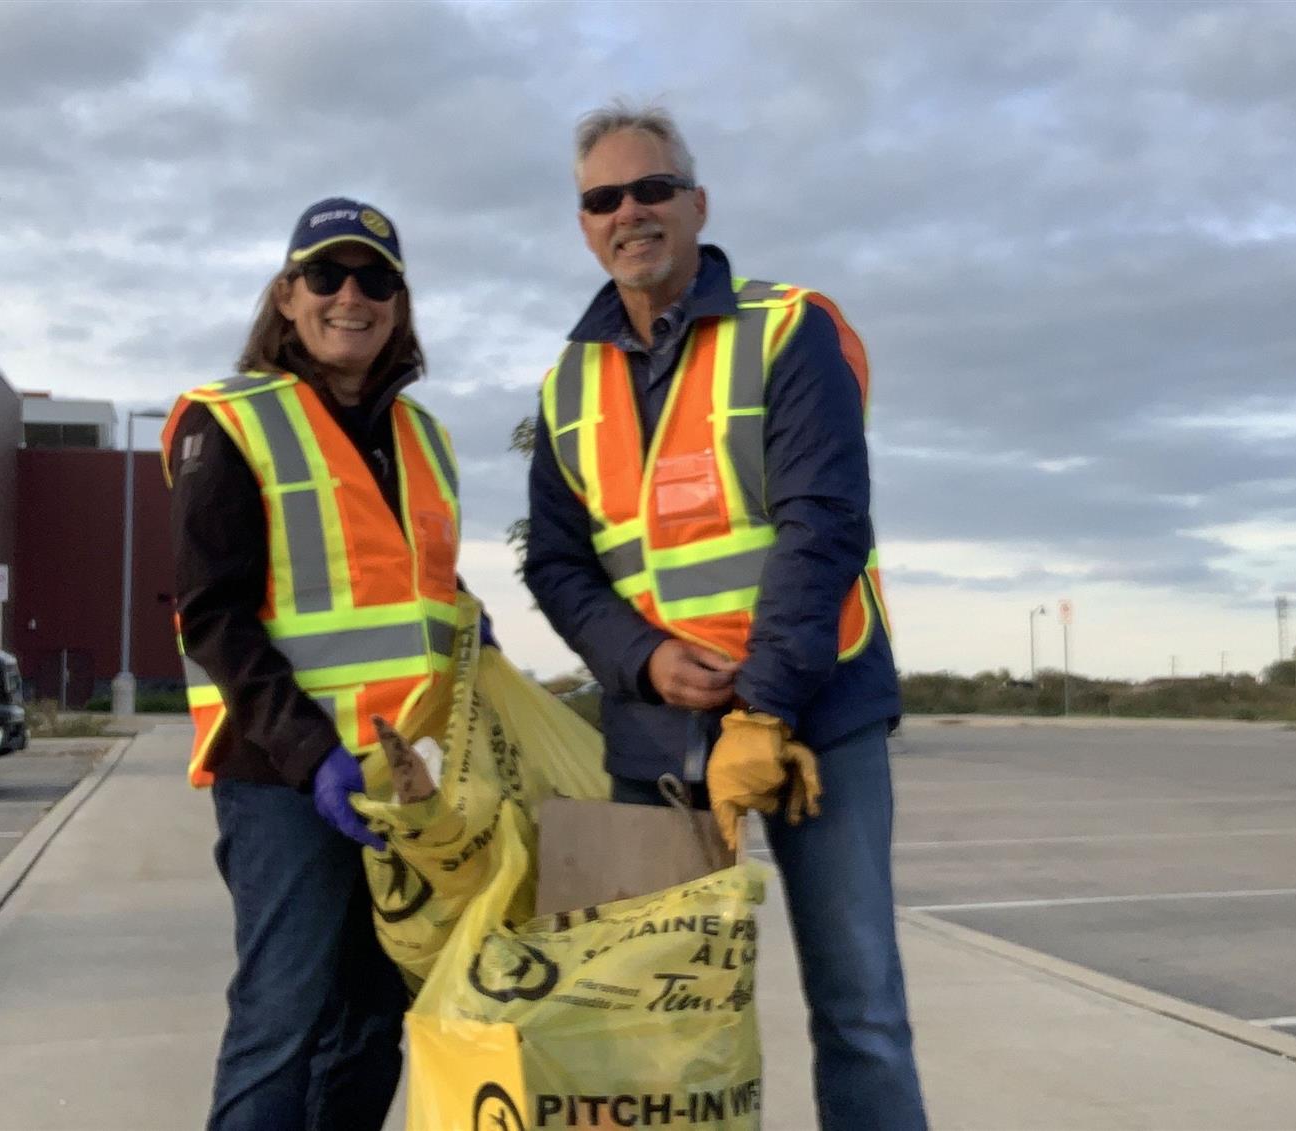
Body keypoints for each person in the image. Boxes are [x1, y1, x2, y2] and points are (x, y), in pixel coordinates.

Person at [523, 104, 928, 1130]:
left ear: (697, 204)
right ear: (584, 225)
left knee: (860, 1010)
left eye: (652, 188)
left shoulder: (790, 329)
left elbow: (824, 524)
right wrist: (643, 657)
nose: (631, 212)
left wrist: (764, 710)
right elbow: (559, 565)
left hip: (812, 722)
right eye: (603, 199)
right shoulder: (567, 383)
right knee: (646, 1017)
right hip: (653, 733)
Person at [163, 197, 461, 1131]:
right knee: (281, 1020)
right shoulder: (231, 420)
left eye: (375, 279)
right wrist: (310, 752)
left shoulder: (426, 440)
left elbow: (432, 608)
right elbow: (211, 616)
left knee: (373, 1024)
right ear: (287, 296)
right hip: (283, 779)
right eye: (325, 276)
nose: (350, 296)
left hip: (396, 783)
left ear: (399, 304)